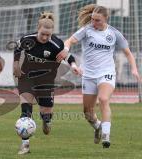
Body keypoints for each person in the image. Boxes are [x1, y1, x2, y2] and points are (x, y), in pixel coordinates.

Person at [56, 4, 141, 148]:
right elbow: (69, 41)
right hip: (88, 75)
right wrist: (65, 49)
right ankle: (98, 127)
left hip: (106, 73)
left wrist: (134, 69)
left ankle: (106, 136)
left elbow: (128, 53)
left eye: (97, 20)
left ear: (106, 19)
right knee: (87, 112)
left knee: (103, 99)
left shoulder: (114, 33)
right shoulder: (86, 30)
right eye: (93, 19)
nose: (93, 23)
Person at [14, 12, 80, 155]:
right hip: (27, 78)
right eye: (42, 34)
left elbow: (68, 56)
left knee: (46, 112)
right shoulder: (27, 39)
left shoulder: (56, 44)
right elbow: (17, 49)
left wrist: (73, 65)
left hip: (45, 81)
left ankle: (46, 121)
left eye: (48, 35)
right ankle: (25, 145)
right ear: (38, 28)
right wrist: (16, 65)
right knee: (26, 110)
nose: (44, 37)